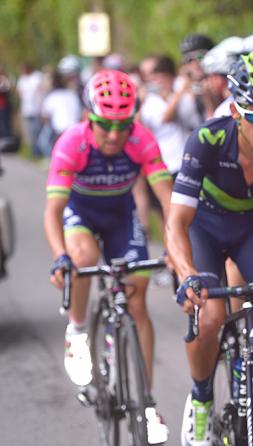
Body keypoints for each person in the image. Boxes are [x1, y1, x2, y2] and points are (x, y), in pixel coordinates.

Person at [165, 51, 253, 446]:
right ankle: (202, 399)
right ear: (236, 111)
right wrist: (187, 272)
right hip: (204, 228)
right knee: (208, 320)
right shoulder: (207, 139)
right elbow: (176, 223)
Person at [44, 69, 172, 444]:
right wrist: (58, 256)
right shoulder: (72, 143)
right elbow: (53, 211)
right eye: (105, 125)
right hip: (80, 214)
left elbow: (167, 200)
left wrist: (175, 247)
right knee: (82, 256)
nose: (115, 136)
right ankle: (79, 330)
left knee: (137, 296)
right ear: (88, 117)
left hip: (121, 217)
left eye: (123, 125)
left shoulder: (141, 140)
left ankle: (147, 405)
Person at [200, 36, 244, 118]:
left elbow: (211, 129)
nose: (208, 82)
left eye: (210, 76)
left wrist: (208, 102)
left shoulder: (225, 110)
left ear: (219, 79)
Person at [16, 63, 44, 157]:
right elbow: (19, 91)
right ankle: (34, 151)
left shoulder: (37, 77)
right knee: (30, 133)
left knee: (37, 131)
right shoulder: (23, 79)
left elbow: (42, 89)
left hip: (37, 109)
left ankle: (38, 152)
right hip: (26, 109)